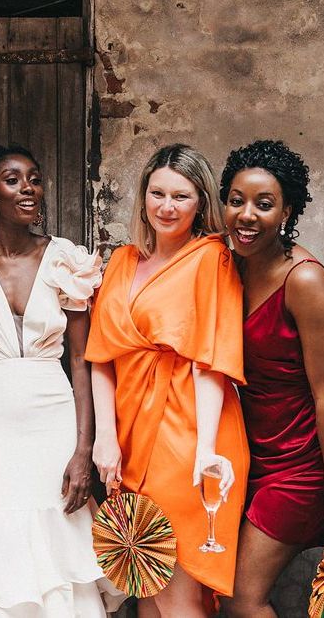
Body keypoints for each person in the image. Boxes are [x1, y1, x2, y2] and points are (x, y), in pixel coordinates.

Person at [0, 144, 123, 617]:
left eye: (35, 179)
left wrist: (83, 450)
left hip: (54, 418)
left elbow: (81, 361)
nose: (29, 188)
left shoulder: (66, 260)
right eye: (13, 179)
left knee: (60, 532)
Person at [85, 144, 250, 616]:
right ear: (144, 197)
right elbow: (102, 356)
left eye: (181, 196)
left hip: (188, 429)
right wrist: (105, 437)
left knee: (176, 587)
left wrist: (205, 449)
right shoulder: (122, 261)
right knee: (146, 582)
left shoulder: (212, 258)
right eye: (157, 193)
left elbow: (209, 360)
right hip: (129, 430)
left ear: (201, 202)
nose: (167, 206)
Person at [217, 141, 324, 618]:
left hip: (300, 468)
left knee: (242, 598)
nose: (246, 215)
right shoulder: (227, 267)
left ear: (288, 211)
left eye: (264, 204)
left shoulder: (304, 281)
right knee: (215, 587)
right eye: (236, 200)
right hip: (245, 461)